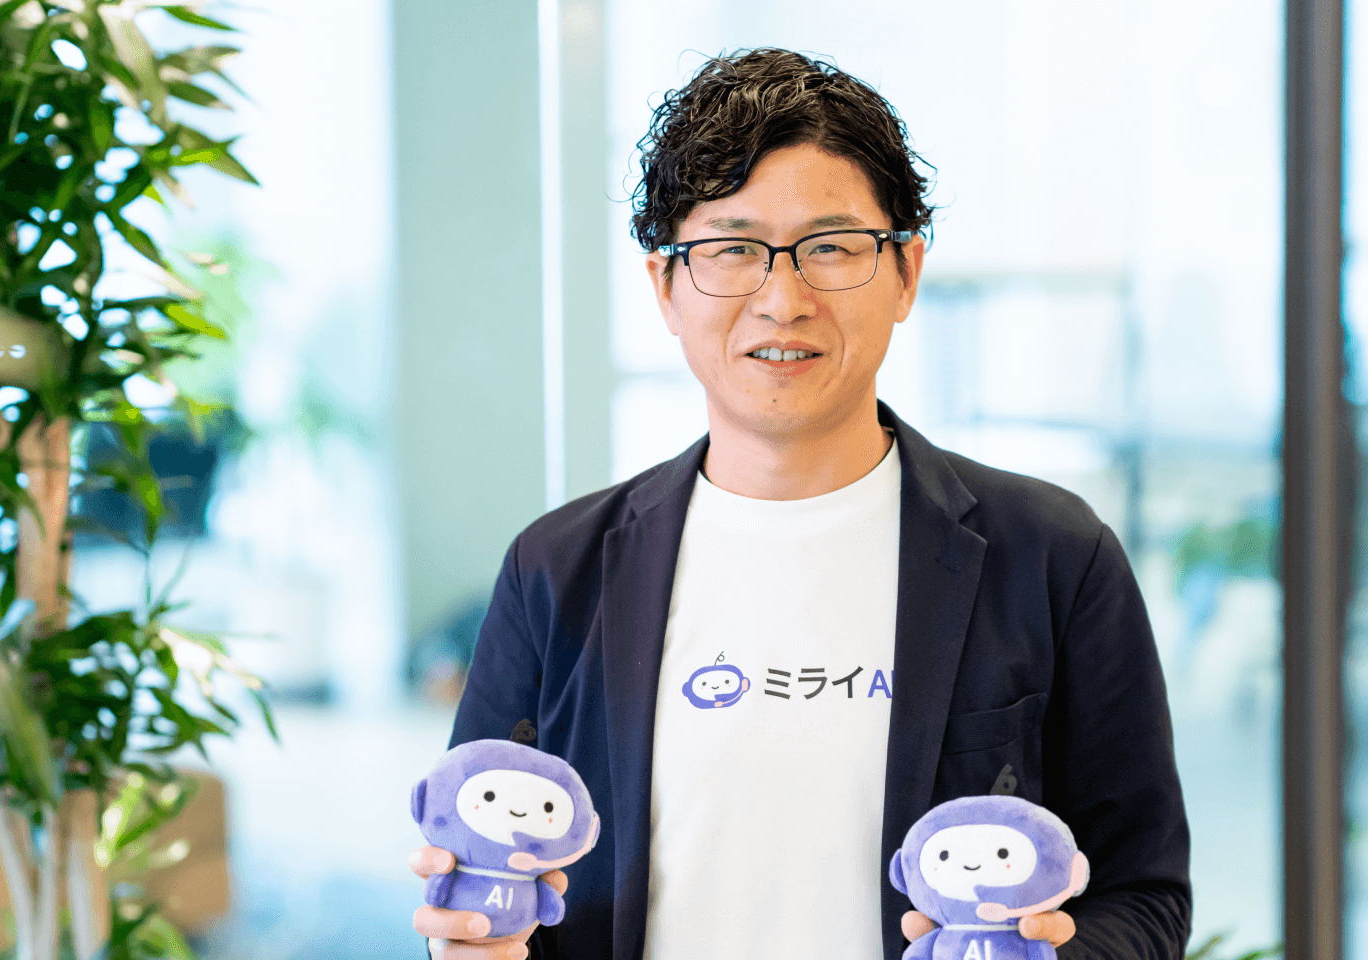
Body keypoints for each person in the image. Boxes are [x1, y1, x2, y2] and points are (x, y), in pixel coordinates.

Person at [410, 48, 1189, 960]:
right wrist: (467, 944)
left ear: (906, 273)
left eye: (831, 248)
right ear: (666, 286)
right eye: (732, 250)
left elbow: (1143, 894)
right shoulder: (557, 569)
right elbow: (472, 864)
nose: (783, 299)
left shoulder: (1052, 557)